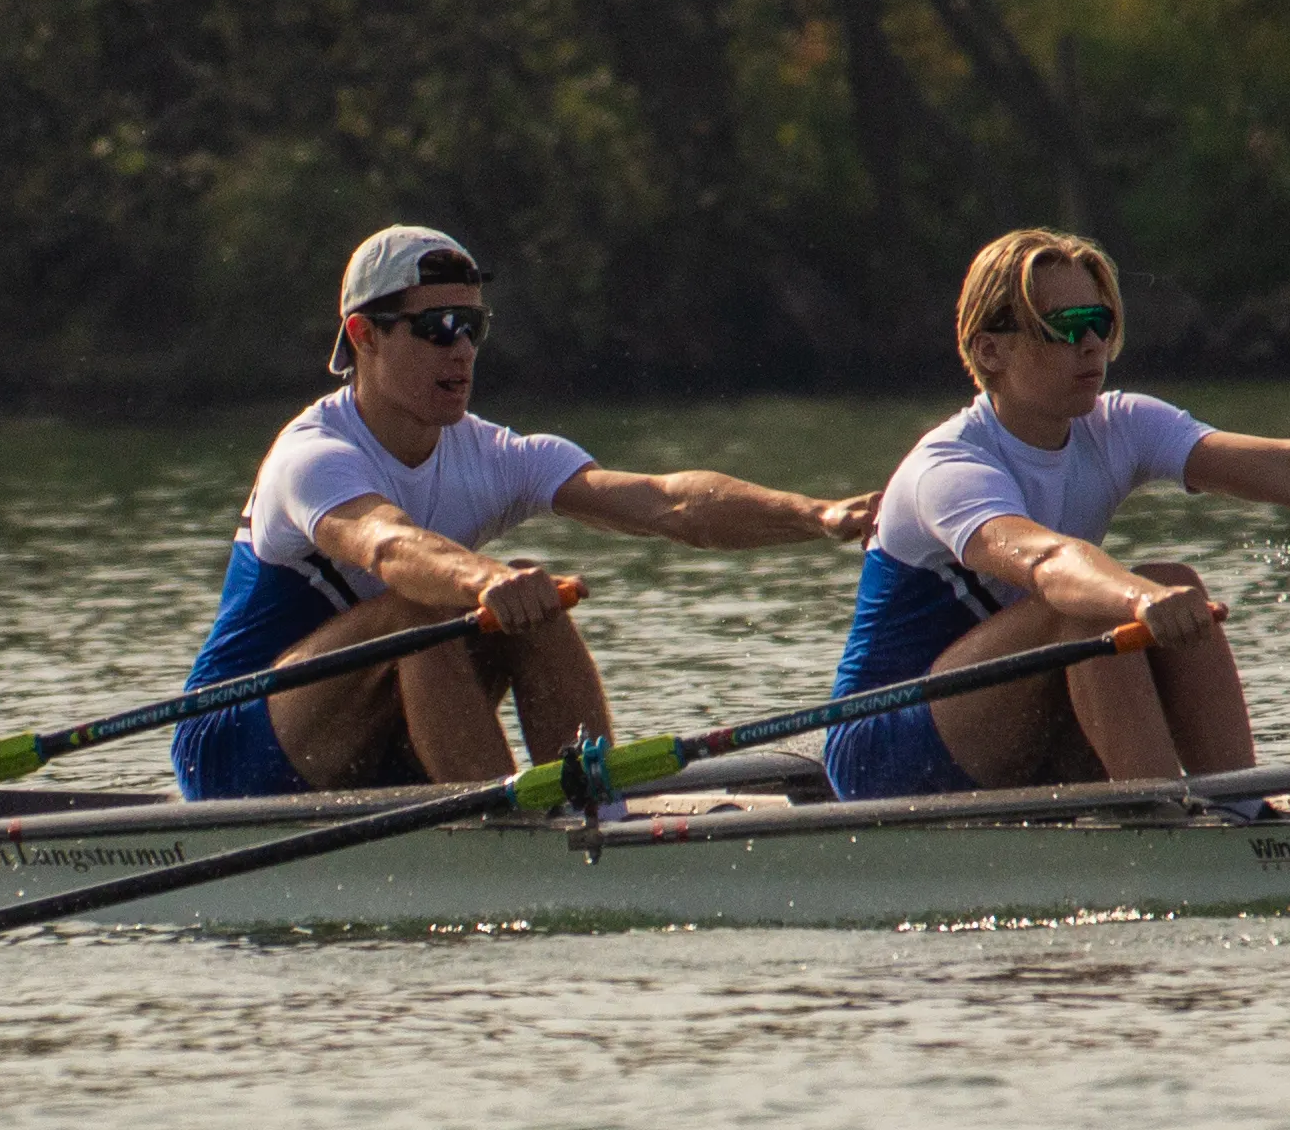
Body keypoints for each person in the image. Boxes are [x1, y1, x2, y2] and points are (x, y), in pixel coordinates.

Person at [174, 226, 878, 798]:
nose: (460, 349)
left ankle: (594, 806)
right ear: (364, 336)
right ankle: (507, 842)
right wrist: (482, 581)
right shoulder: (314, 455)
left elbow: (666, 503)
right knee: (421, 607)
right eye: (435, 327)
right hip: (237, 747)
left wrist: (813, 515)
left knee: (537, 600)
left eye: (472, 326)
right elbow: (387, 546)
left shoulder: (493, 454)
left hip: (375, 738)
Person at [822, 227, 1290, 800]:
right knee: (1100, 606)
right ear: (991, 350)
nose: (1091, 343)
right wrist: (1140, 599)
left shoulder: (1119, 425)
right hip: (885, 746)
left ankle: (1240, 811)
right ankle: (1166, 826)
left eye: (1100, 322)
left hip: (1007, 720)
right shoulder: (948, 467)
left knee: (1171, 574)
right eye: (1063, 326)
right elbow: (1048, 563)